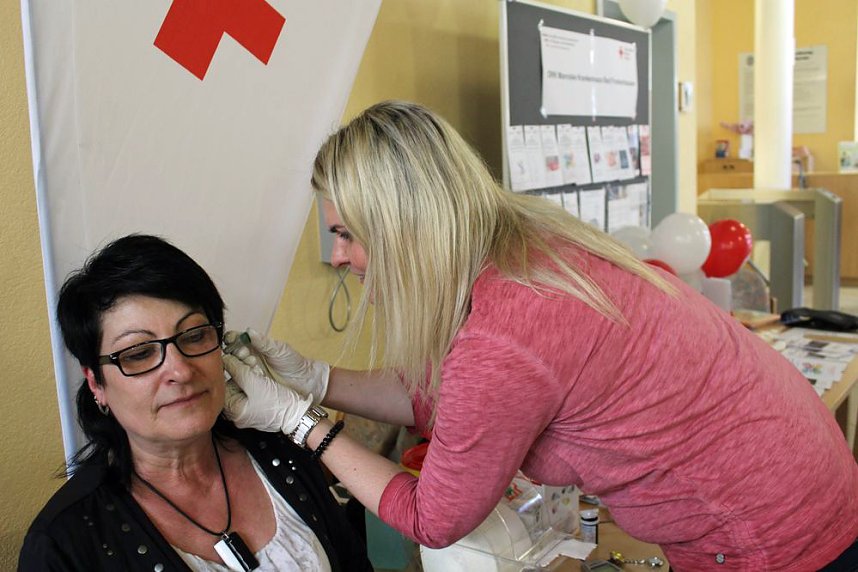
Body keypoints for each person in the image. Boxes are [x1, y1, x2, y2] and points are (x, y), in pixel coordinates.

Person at [223, 101, 858, 571]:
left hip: (768, 530)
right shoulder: (525, 244)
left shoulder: (505, 329)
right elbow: (453, 398)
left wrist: (300, 422)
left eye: (346, 234)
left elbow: (432, 518)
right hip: (799, 470)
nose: (337, 256)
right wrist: (317, 380)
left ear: (403, 229)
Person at [19, 234, 371, 572]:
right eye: (139, 353)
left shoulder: (283, 451)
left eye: (195, 335)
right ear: (96, 383)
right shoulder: (64, 543)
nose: (181, 370)